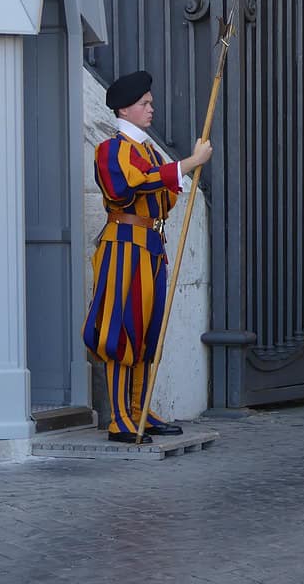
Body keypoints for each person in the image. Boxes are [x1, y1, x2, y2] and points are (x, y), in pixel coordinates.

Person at [82, 70, 213, 444]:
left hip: (150, 246)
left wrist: (175, 174)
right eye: (145, 104)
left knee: (146, 331)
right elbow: (127, 187)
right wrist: (185, 164)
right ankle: (120, 417)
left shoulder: (148, 151)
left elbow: (162, 197)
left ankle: (140, 410)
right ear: (125, 109)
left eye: (150, 102)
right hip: (123, 245)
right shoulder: (111, 149)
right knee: (121, 329)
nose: (151, 108)